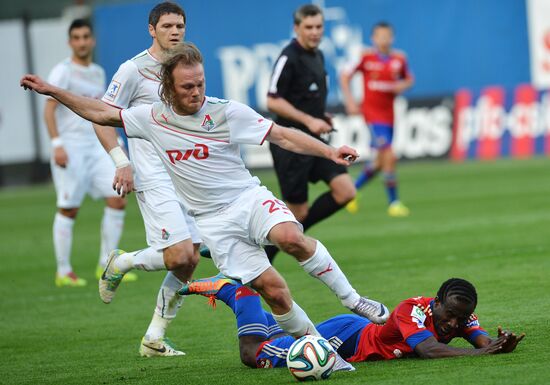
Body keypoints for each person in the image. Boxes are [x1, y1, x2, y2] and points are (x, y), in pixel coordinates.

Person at [21, 43, 391, 347]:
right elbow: (101, 114)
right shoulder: (151, 118)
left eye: (199, 83)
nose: (196, 91)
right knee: (275, 292)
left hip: (248, 200)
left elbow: (281, 134)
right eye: (187, 87)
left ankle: (353, 299)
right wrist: (52, 91)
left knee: (290, 236)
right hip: (212, 221)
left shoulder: (226, 112)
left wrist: (328, 152)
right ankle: (320, 350)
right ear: (168, 87)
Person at [93, 2, 202, 357]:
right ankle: (122, 262)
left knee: (190, 258)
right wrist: (121, 161)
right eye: (168, 25)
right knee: (178, 256)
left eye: (180, 26)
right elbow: (100, 117)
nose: (175, 31)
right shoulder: (133, 70)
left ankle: (154, 337)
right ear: (151, 29)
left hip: (185, 173)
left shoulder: (185, 66)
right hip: (153, 176)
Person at [180, 276, 525, 368]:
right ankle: (236, 292)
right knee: (253, 355)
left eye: (460, 319)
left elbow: (481, 339)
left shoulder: (461, 314)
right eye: (449, 315)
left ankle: (245, 297)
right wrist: (483, 355)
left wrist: (500, 344)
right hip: (347, 341)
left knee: (278, 337)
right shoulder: (412, 310)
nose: (453, 324)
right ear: (436, 304)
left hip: (351, 334)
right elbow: (430, 350)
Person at [265, 4, 356, 262]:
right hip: (290, 144)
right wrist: (308, 119)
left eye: (319, 27)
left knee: (345, 191)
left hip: (315, 142)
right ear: (297, 28)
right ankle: (265, 251)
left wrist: (321, 117)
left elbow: (308, 96)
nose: (315, 32)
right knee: (298, 211)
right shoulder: (289, 57)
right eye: (309, 27)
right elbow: (273, 100)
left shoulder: (318, 55)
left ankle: (284, 240)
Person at [43, 19, 128, 287]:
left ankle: (106, 265)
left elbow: (100, 111)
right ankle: (63, 271)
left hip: (95, 146)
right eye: (76, 37)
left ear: (92, 40)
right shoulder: (62, 71)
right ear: (70, 42)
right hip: (71, 148)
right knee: (69, 208)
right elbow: (49, 109)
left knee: (118, 199)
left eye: (85, 37)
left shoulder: (98, 72)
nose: (81, 42)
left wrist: (119, 142)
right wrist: (57, 144)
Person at [340, 22, 414, 217]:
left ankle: (351, 192)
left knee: (380, 162)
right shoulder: (365, 57)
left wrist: (402, 86)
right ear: (373, 38)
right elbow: (345, 76)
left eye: (387, 36)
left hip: (389, 116)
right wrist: (350, 101)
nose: (384, 39)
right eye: (380, 36)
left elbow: (409, 79)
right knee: (389, 155)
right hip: (372, 115)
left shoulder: (399, 58)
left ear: (392, 38)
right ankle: (394, 203)